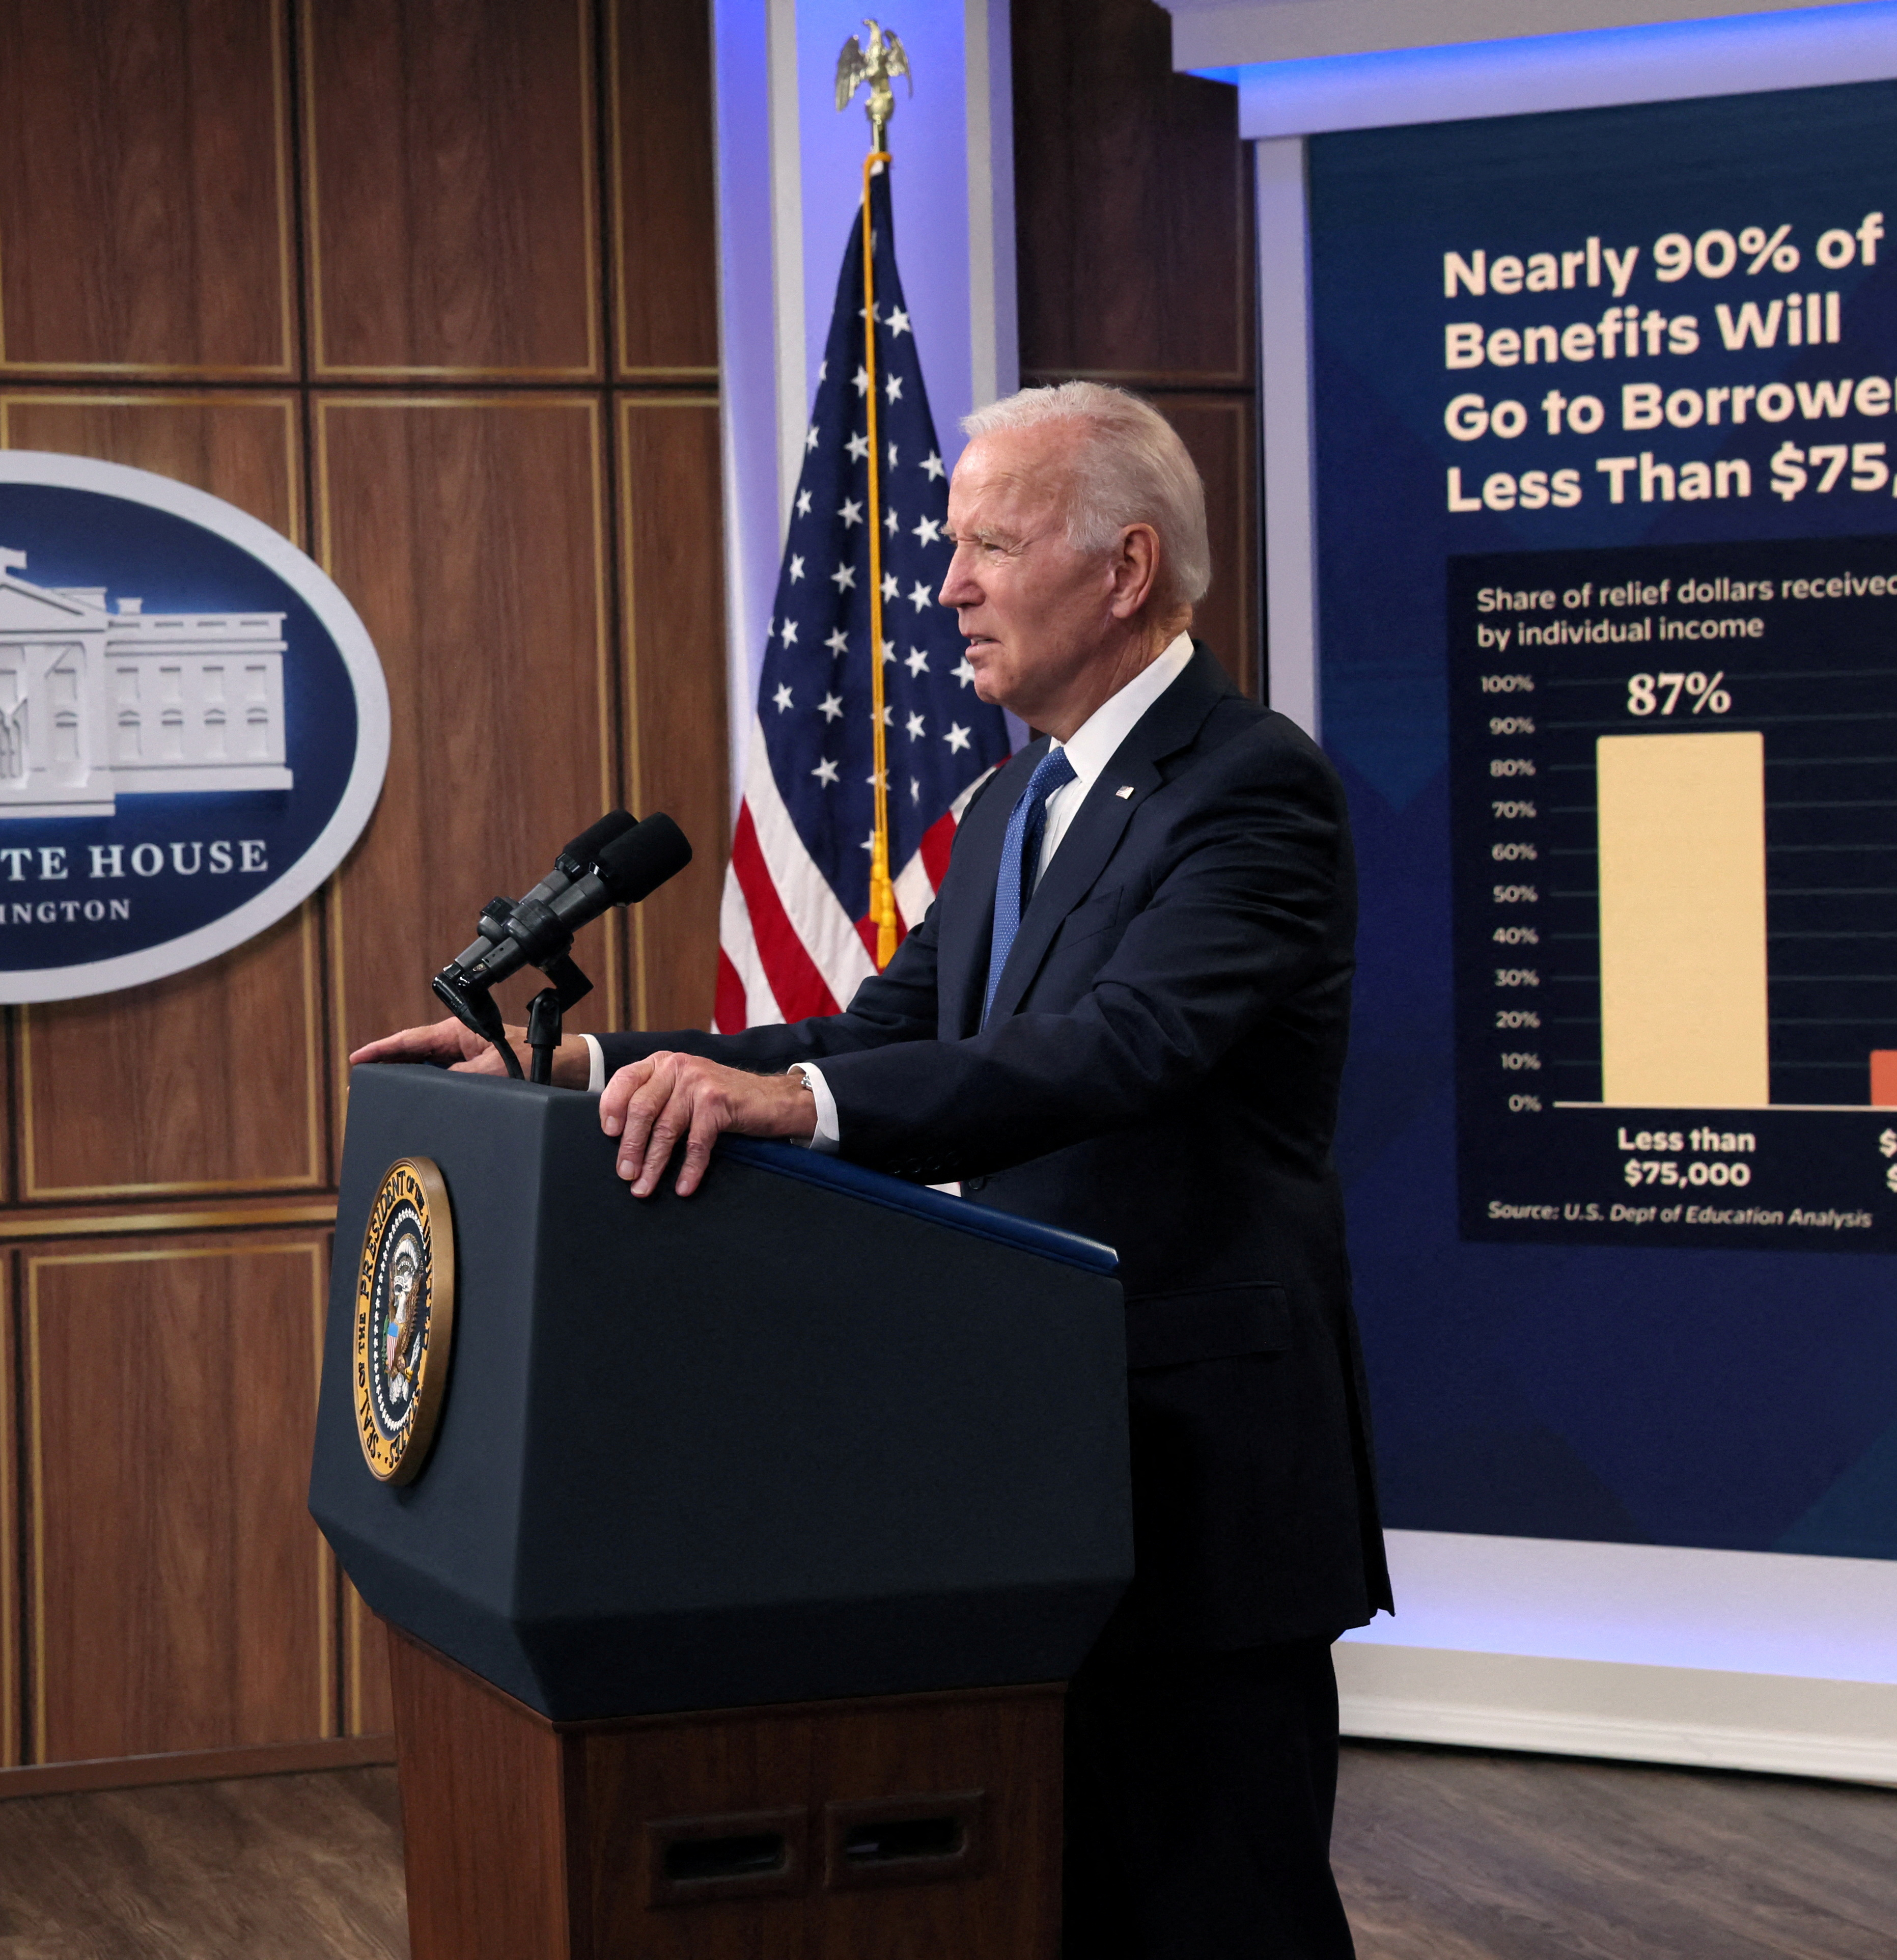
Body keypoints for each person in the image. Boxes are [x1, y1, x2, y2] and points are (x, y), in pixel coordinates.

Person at [353, 380, 1390, 1957]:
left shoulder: (1248, 786)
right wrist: (573, 1065)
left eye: (989, 544)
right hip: (1023, 1462)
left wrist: (803, 1113)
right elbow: (877, 1022)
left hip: (1192, 1466)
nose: (948, 587)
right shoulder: (1012, 798)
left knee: (1214, 1904)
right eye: (945, 546)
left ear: (1122, 570)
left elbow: (1126, 1047)